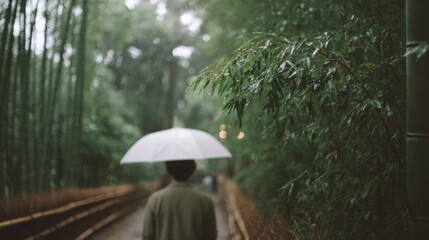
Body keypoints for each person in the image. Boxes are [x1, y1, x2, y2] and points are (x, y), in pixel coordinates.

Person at [142, 160, 217, 240]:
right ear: (192, 170)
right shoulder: (205, 200)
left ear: (168, 170)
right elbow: (211, 235)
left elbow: (147, 235)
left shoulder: (155, 200)